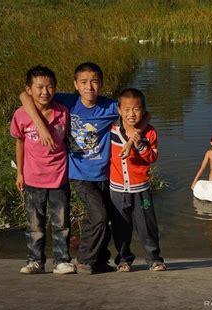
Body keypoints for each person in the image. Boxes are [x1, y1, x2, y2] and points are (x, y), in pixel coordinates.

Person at [19, 62, 146, 274]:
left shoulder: (109, 106)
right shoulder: (68, 101)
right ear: (75, 85)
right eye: (84, 82)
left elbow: (142, 113)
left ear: (102, 84)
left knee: (106, 218)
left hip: (105, 174)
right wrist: (41, 127)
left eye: (95, 82)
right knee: (99, 216)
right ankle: (84, 260)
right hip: (79, 174)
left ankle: (100, 260)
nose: (90, 87)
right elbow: (25, 97)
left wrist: (133, 140)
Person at [11, 65, 75, 274]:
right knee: (34, 224)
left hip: (59, 177)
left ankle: (62, 260)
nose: (45, 92)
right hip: (32, 178)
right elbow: (19, 143)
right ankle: (35, 261)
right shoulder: (21, 115)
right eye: (39, 87)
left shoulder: (62, 112)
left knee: (61, 222)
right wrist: (19, 173)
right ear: (29, 89)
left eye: (50, 87)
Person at [109, 88, 165, 272]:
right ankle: (124, 260)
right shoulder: (111, 130)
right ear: (119, 110)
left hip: (141, 188)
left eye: (136, 109)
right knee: (121, 227)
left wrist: (139, 144)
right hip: (117, 190)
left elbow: (152, 158)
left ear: (143, 110)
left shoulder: (149, 133)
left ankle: (154, 259)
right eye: (126, 109)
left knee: (147, 226)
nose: (131, 114)